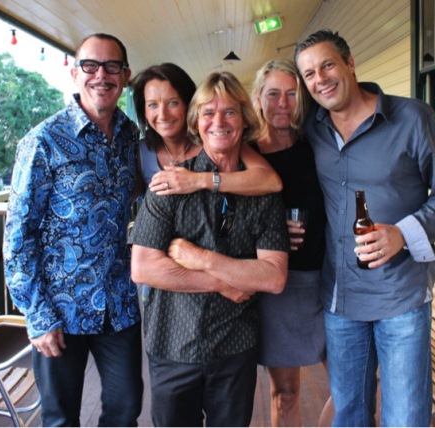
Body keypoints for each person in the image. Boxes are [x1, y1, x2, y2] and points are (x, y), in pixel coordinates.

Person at [294, 29, 435, 427]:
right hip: (341, 297)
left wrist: (403, 232)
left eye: (328, 65)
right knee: (349, 413)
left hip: (400, 296)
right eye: (309, 74)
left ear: (350, 63)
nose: (320, 79)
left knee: (404, 417)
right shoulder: (312, 130)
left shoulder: (412, 119)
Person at [128, 71, 289, 427]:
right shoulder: (168, 185)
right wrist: (226, 281)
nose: (218, 122)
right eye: (208, 113)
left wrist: (199, 258)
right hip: (172, 343)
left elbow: (274, 277)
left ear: (245, 121)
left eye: (229, 112)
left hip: (236, 345)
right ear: (195, 123)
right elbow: (144, 268)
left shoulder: (262, 192)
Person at [3, 33, 143, 427]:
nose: (101, 75)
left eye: (112, 66)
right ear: (74, 72)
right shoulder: (43, 142)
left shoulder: (131, 137)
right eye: (90, 66)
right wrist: (37, 314)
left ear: (125, 75)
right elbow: (17, 236)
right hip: (59, 310)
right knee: (60, 418)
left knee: (126, 409)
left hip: (118, 305)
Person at [250, 59, 326, 427]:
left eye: (292, 94)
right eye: (274, 94)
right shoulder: (248, 154)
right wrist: (270, 228)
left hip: (329, 279)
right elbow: (229, 218)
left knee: (355, 383)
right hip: (282, 285)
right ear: (258, 99)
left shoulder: (316, 143)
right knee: (287, 392)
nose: (283, 103)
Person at [131, 62, 282, 197]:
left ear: (189, 105)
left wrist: (199, 180)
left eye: (173, 103)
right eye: (152, 105)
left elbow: (270, 181)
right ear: (143, 110)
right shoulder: (141, 152)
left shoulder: (214, 140)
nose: (163, 115)